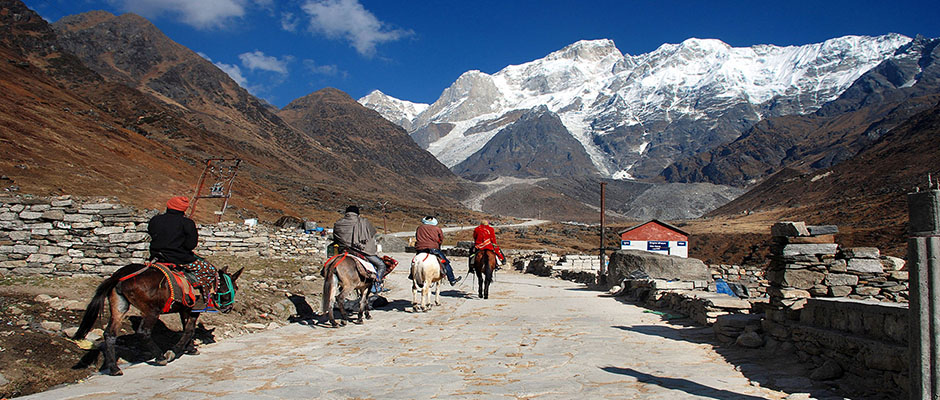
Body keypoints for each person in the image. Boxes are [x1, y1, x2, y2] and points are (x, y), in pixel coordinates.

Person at [148, 196, 219, 310]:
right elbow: (191, 245)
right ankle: (202, 301)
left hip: (157, 256)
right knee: (210, 270)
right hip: (179, 258)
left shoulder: (155, 220)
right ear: (183, 209)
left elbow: (152, 234)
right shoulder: (187, 223)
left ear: (169, 205)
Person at [332, 205, 387, 293]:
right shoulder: (363, 222)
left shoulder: (338, 223)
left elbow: (335, 238)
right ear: (357, 213)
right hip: (361, 250)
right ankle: (376, 285)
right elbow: (372, 232)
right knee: (381, 265)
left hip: (343, 251)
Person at [414, 216, 461, 286]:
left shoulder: (419, 228)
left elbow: (417, 237)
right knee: (445, 262)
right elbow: (441, 238)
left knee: (415, 262)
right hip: (433, 249)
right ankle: (452, 279)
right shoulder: (437, 228)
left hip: (420, 249)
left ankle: (412, 275)